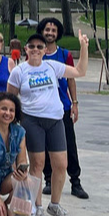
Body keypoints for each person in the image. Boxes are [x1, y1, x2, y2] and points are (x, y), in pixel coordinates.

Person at [6, 31, 89, 216]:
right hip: (32, 120)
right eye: (32, 46)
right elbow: (10, 99)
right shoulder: (19, 71)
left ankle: (54, 204)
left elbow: (79, 72)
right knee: (38, 164)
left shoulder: (52, 66)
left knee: (61, 164)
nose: (35, 49)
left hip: (55, 119)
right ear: (25, 49)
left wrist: (84, 47)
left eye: (39, 47)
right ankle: (37, 207)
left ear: (45, 50)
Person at [38, 18, 89, 199]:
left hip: (63, 107)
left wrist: (74, 103)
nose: (50, 33)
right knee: (44, 146)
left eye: (53, 30)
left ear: (58, 33)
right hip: (42, 109)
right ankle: (49, 180)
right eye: (47, 29)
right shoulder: (36, 53)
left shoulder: (64, 54)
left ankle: (75, 181)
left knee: (69, 145)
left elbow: (71, 79)